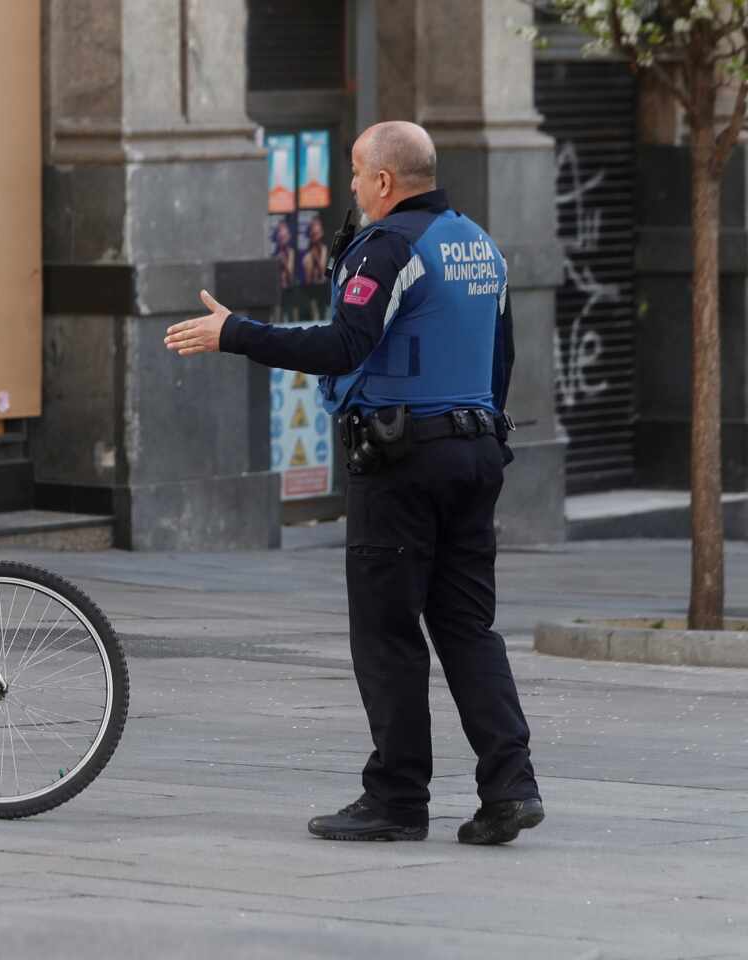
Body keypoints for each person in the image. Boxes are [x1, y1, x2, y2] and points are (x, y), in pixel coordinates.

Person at [163, 121, 543, 845]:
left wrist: (235, 333)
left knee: (388, 633)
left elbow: (344, 343)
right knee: (468, 628)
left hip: (404, 463)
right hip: (475, 453)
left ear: (384, 182)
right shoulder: (477, 245)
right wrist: (477, 432)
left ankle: (398, 800)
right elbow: (503, 355)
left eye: (357, 174)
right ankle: (510, 787)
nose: (352, 188)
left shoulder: (393, 246)